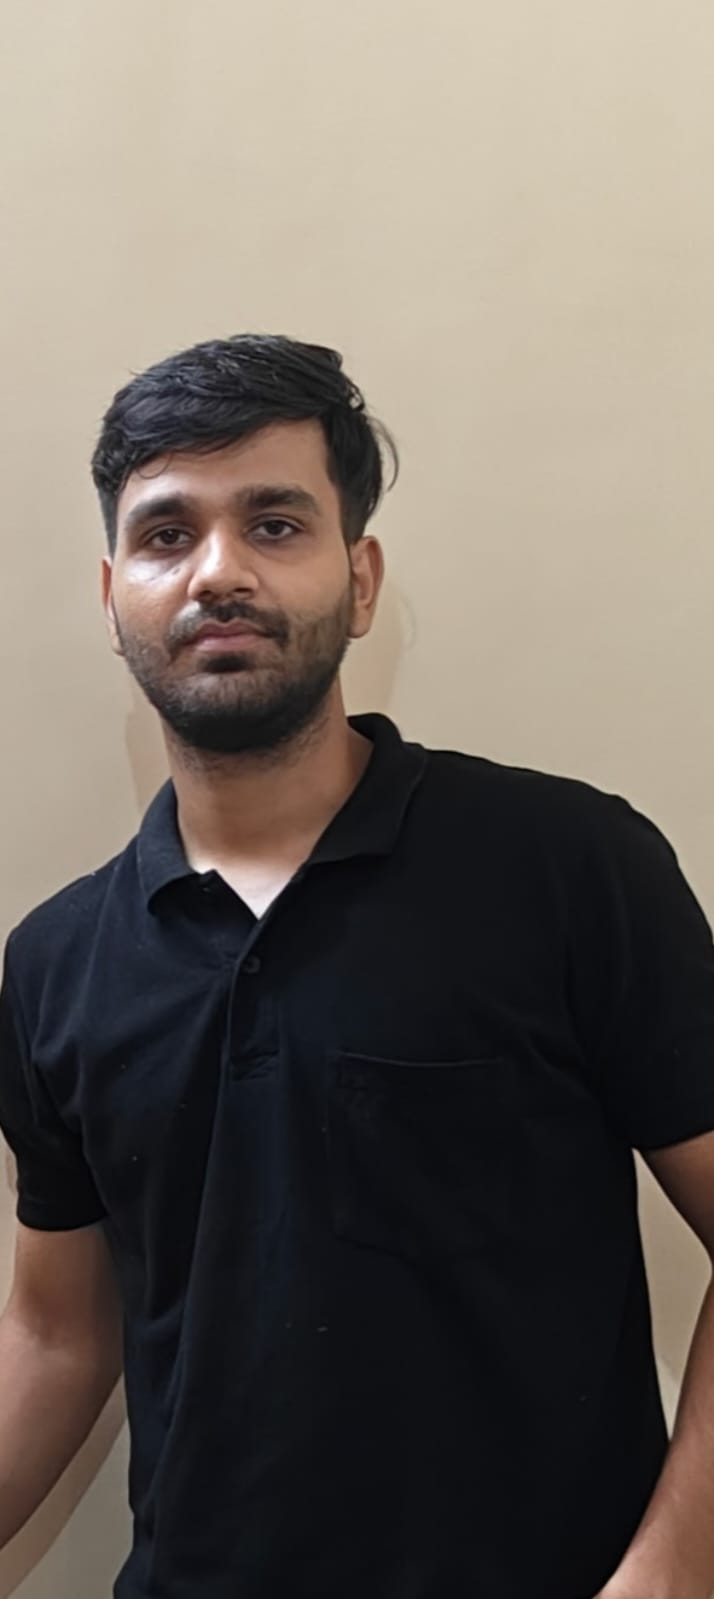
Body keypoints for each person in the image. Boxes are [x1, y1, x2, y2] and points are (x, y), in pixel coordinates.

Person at [0, 334, 713, 1599]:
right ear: (113, 597)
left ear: (361, 577)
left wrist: (672, 1573)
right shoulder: (55, 962)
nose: (218, 570)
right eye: (167, 534)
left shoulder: (569, 867)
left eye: (275, 524)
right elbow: (59, 1333)